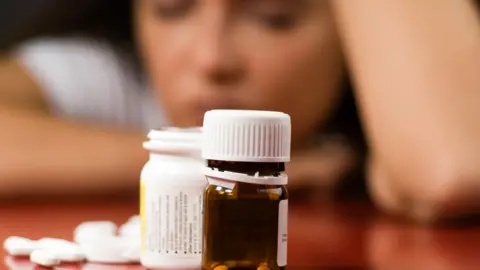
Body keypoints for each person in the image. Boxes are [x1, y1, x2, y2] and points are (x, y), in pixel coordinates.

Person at [0, 0, 479, 222]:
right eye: (171, 9)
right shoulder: (117, 73)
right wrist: (230, 164)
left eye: (274, 18)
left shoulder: (406, 97)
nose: (211, 59)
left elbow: (452, 169)